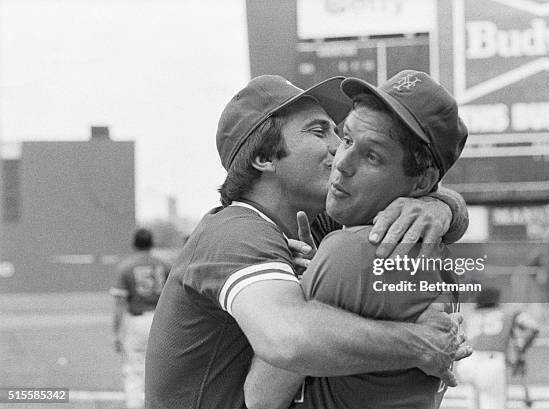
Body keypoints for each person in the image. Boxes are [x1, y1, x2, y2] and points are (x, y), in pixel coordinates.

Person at [145, 75, 471, 409]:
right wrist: (421, 344)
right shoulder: (234, 234)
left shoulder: (324, 222)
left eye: (337, 132)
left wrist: (439, 205)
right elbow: (287, 341)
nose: (336, 149)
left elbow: (436, 204)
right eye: (319, 132)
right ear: (265, 158)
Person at [244, 70, 469, 409]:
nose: (342, 163)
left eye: (372, 156)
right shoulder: (437, 255)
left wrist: (316, 278)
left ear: (423, 182)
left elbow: (260, 397)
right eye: (347, 139)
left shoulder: (351, 252)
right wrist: (443, 204)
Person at [110, 228, 171, 409]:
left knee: (135, 372)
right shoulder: (165, 265)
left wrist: (115, 333)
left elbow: (119, 303)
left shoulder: (126, 267)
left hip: (137, 320)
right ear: (152, 243)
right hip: (161, 320)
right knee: (163, 371)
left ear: (134, 243)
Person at [456, 286, 540, 409]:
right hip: (491, 364)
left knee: (473, 404)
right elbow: (533, 327)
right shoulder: (508, 312)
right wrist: (521, 346)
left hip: (466, 362)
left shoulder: (471, 314)